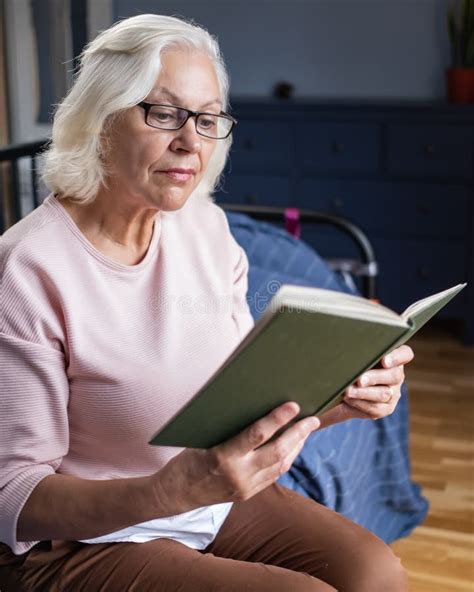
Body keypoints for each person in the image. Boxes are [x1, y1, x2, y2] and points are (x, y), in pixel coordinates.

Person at [0, 14, 414, 592]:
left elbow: (243, 403)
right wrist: (169, 491)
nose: (190, 142)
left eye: (208, 118)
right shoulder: (28, 268)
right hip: (79, 543)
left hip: (204, 502)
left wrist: (342, 398)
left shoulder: (206, 227)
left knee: (376, 573)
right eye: (164, 113)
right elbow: (11, 495)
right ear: (100, 119)